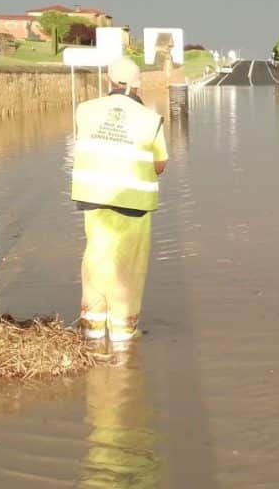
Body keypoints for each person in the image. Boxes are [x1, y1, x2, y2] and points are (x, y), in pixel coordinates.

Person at [71, 57, 168, 342]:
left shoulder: (85, 110)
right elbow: (160, 164)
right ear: (138, 85)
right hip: (133, 203)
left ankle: (92, 330)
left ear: (109, 81)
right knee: (128, 267)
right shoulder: (149, 119)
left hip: (93, 198)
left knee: (97, 259)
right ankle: (124, 337)